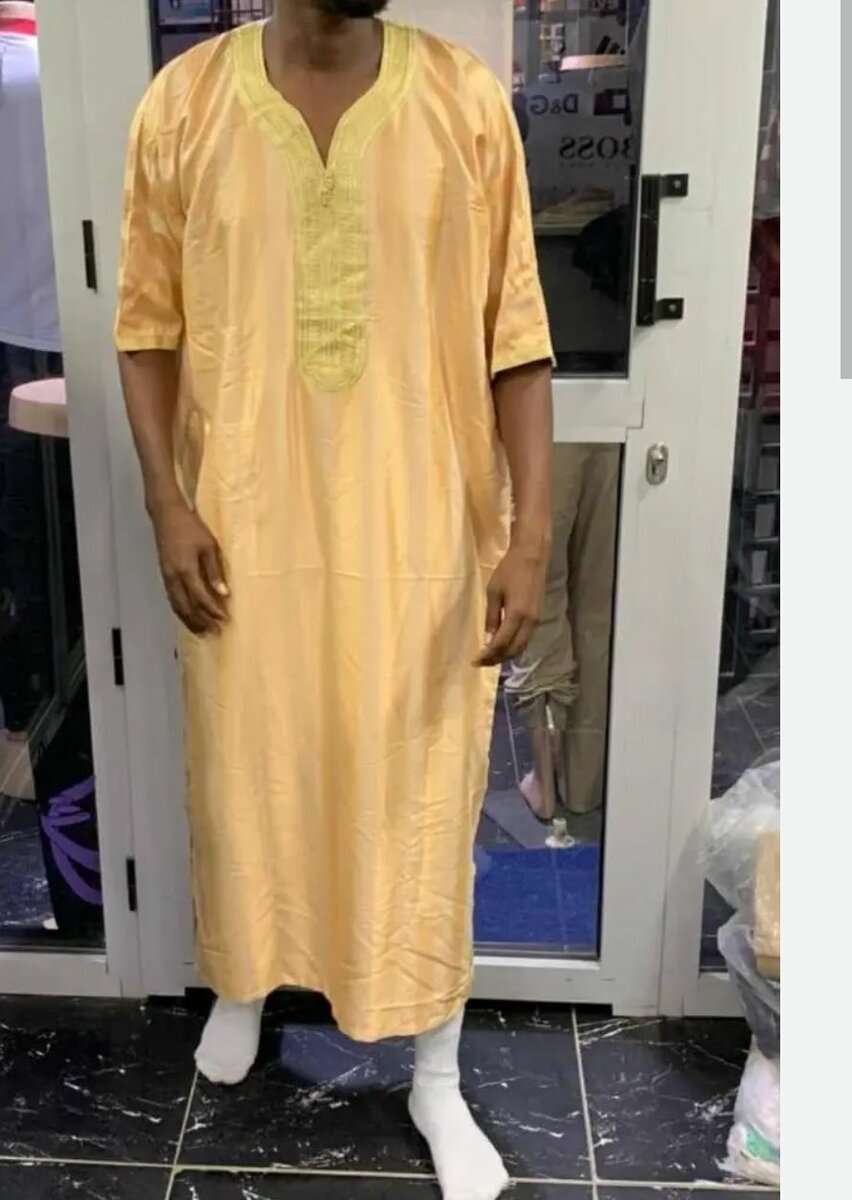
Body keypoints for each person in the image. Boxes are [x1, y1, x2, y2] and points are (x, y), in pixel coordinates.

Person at [116, 3, 553, 1196]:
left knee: (420, 797)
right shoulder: (185, 105)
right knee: (248, 778)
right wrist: (166, 502)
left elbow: (516, 335)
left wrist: (531, 536)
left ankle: (435, 1076)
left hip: (422, 536)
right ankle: (245, 981)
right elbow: (146, 324)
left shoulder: (464, 102)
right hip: (244, 536)